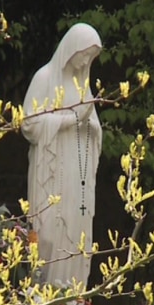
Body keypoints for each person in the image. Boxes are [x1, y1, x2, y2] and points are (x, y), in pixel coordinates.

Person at [21, 23, 102, 286]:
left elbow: (94, 126)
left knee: (77, 228)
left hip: (77, 171)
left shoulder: (82, 86)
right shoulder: (44, 78)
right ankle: (46, 292)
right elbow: (29, 124)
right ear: (71, 48)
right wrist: (70, 120)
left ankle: (73, 297)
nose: (86, 62)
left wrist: (90, 125)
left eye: (91, 57)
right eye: (84, 54)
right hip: (52, 170)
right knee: (49, 232)